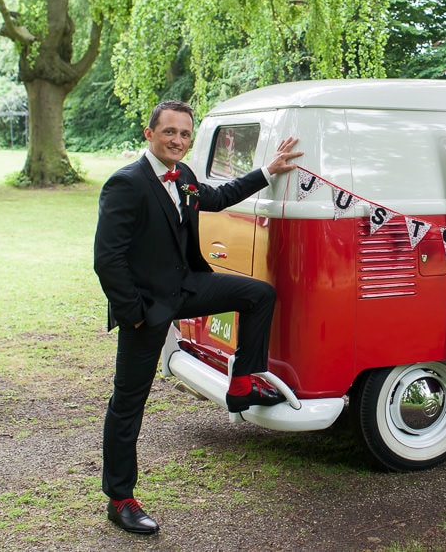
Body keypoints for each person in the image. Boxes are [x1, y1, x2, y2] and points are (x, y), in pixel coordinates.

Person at [93, 99, 302, 534]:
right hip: (148, 308)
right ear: (148, 134)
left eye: (185, 134)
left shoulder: (184, 176)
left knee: (259, 294)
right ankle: (120, 498)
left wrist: (270, 170)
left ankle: (242, 386)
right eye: (169, 132)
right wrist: (134, 315)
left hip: (186, 286)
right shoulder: (125, 184)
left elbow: (219, 197)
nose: (178, 140)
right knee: (128, 404)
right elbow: (107, 260)